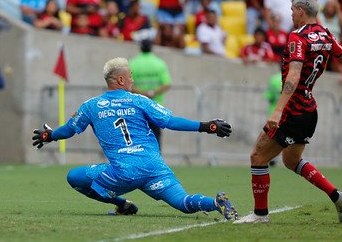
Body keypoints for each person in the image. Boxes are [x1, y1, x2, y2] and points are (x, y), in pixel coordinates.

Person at [32, 57, 239, 221]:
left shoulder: (91, 106)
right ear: (121, 80)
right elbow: (170, 121)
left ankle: (123, 205)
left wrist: (49, 135)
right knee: (182, 202)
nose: (132, 80)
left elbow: (69, 129)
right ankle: (216, 203)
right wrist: (207, 126)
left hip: (123, 173)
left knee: (74, 177)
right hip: (153, 168)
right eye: (131, 76)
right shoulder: (140, 100)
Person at [241, 0, 342, 223]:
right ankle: (337, 197)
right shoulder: (326, 33)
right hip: (309, 110)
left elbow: (293, 76)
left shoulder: (298, 37)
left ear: (301, 10)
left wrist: (278, 110)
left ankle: (260, 215)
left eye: (292, 10)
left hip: (293, 111)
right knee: (290, 161)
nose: (290, 13)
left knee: (258, 156)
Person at [129, 39, 171, 147]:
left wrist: (143, 93)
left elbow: (128, 85)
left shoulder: (133, 63)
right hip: (156, 104)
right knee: (156, 134)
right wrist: (151, 93)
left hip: (138, 104)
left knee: (138, 134)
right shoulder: (159, 63)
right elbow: (167, 84)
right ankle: (156, 160)